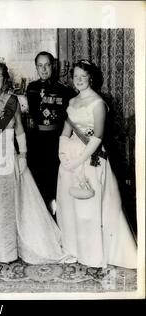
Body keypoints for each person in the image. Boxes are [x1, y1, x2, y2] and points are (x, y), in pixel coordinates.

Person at [0, 56, 69, 266]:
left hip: (9, 158)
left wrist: (23, 155)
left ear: (4, 79)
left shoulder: (13, 101)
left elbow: (19, 130)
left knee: (8, 206)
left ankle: (10, 251)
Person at [56, 59, 137, 269]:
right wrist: (63, 154)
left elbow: (98, 137)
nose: (80, 80)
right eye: (76, 76)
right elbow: (66, 131)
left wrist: (78, 161)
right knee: (69, 205)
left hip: (90, 158)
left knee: (89, 208)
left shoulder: (98, 103)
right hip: (70, 160)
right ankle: (73, 249)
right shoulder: (72, 102)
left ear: (90, 78)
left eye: (84, 76)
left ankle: (92, 254)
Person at [26, 51, 77, 212]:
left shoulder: (64, 90)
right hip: (36, 139)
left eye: (47, 65)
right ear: (36, 67)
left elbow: (71, 116)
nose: (44, 69)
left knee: (55, 178)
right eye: (40, 66)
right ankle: (43, 215)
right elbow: (33, 113)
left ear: (53, 66)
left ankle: (56, 214)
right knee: (37, 178)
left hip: (55, 138)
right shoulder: (31, 88)